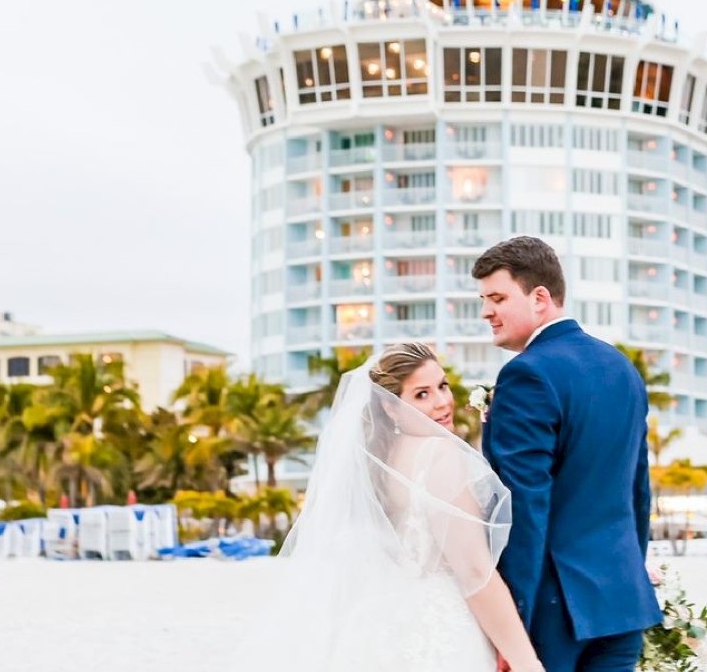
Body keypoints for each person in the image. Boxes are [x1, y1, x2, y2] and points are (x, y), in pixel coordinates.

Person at [263, 343, 544, 672]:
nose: (442, 402)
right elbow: (475, 572)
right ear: (392, 408)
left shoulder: (376, 464)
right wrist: (527, 660)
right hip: (441, 632)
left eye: (442, 386)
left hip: (382, 629)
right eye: (421, 395)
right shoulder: (439, 455)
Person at [473, 236, 662, 672]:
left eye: (497, 298)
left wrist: (512, 625)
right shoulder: (621, 368)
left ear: (540, 298)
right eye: (484, 299)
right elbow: (638, 493)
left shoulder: (527, 374)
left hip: (553, 610)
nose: (486, 312)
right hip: (621, 601)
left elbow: (525, 505)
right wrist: (630, 570)